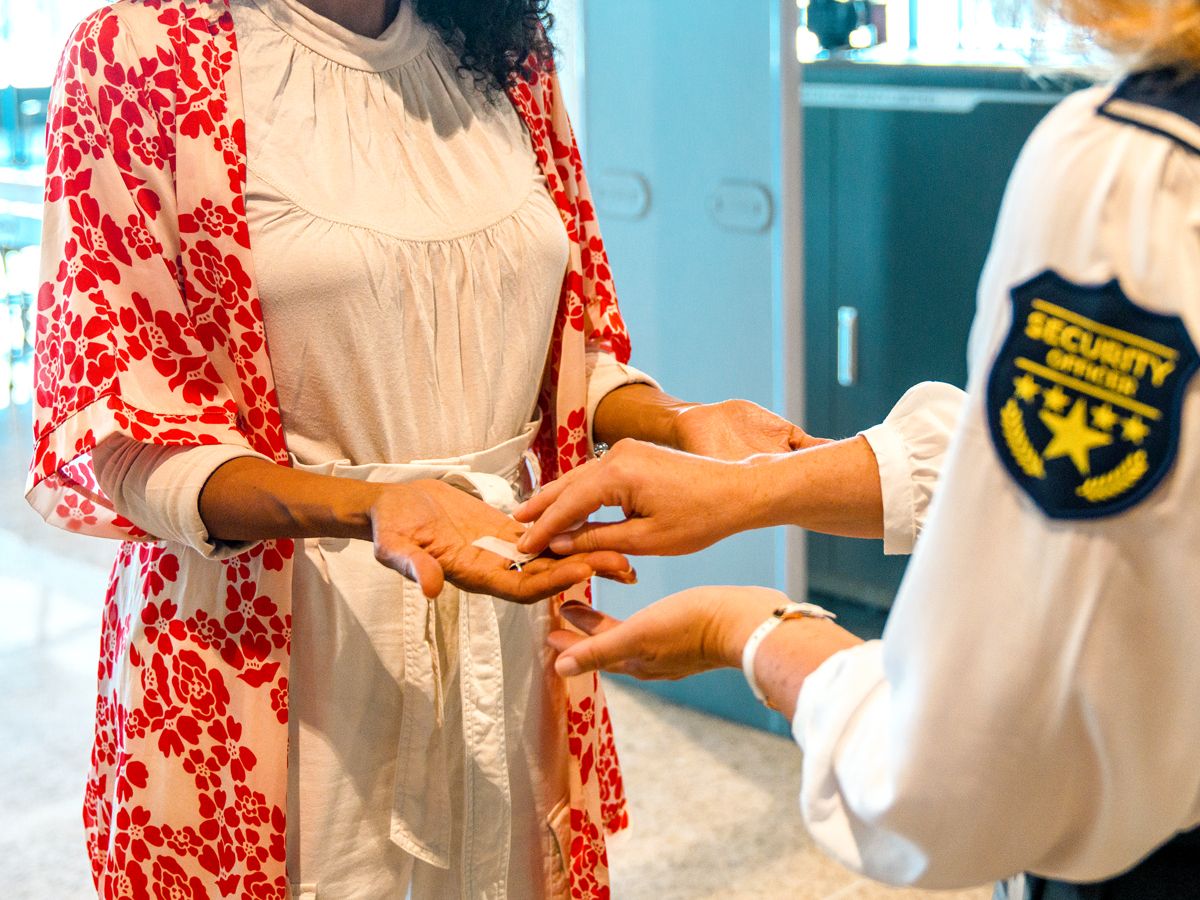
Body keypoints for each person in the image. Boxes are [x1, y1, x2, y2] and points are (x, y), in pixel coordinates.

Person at [27, 1, 810, 897]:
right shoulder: (143, 52)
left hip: (505, 609)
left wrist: (676, 424)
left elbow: (566, 350)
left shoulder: (501, 53)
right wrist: (368, 506)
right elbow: (116, 429)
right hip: (281, 646)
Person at [516, 2, 1200, 897]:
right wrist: (761, 488)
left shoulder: (1138, 172)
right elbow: (1127, 472)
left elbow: (953, 775)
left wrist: (755, 631)